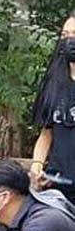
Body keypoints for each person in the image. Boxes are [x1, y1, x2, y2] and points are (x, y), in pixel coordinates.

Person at [31, 12, 75, 202]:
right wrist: (37, 164)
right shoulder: (54, 83)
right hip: (57, 186)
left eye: (74, 35)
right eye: (65, 35)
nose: (69, 41)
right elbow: (46, 132)